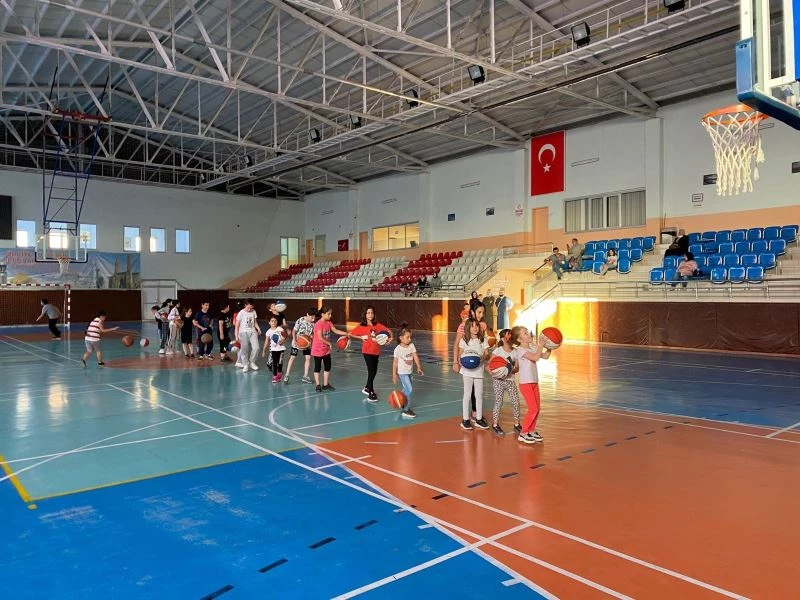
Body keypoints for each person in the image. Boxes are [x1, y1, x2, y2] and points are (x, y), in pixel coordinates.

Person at [511, 325, 551, 444]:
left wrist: (550, 346)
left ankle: (531, 430)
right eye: (525, 333)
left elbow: (545, 356)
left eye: (527, 332)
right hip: (526, 383)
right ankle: (523, 433)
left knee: (537, 409)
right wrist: (541, 345)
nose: (528, 334)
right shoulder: (521, 350)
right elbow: (535, 357)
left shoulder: (532, 347)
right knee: (533, 408)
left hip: (534, 382)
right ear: (519, 339)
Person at [349, 305, 393, 402]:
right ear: (365, 314)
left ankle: (367, 387)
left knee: (374, 371)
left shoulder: (377, 325)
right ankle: (371, 392)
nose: (370, 315)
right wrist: (360, 337)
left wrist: (391, 338)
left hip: (376, 351)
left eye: (372, 313)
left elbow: (388, 330)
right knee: (371, 371)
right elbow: (350, 333)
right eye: (368, 313)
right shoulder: (362, 326)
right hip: (367, 351)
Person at [458, 318, 490, 431]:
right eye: (472, 326)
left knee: (479, 395)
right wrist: (461, 361)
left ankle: (479, 419)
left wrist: (482, 357)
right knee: (467, 395)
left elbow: (487, 354)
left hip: (479, 371)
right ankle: (465, 420)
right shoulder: (464, 340)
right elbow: (460, 354)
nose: (475, 328)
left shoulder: (483, 339)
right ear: (468, 328)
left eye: (477, 325)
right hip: (467, 371)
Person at [489, 328, 522, 437]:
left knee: (516, 402)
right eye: (508, 335)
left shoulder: (515, 352)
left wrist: (510, 369)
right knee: (498, 402)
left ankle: (517, 424)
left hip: (510, 380)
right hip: (498, 381)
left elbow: (517, 368)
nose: (510, 337)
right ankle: (495, 424)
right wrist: (496, 373)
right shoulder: (498, 351)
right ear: (503, 339)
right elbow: (489, 366)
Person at [311, 306, 350, 392]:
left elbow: (335, 330)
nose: (330, 315)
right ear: (322, 314)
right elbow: (320, 337)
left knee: (327, 366)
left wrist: (346, 333)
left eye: (331, 314)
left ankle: (325, 385)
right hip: (318, 350)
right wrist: (329, 343)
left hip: (326, 350)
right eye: (328, 314)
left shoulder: (328, 322)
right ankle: (318, 385)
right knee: (317, 367)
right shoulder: (318, 324)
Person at [392, 323, 423, 419]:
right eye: (407, 337)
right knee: (409, 389)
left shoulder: (411, 346)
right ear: (401, 338)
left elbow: (415, 357)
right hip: (402, 373)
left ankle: (399, 399)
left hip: (410, 372)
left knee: (406, 389)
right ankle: (406, 409)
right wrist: (394, 374)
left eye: (410, 337)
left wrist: (419, 367)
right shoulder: (398, 349)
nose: (409, 339)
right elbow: (395, 363)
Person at [284, 307, 316, 384]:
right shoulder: (300, 320)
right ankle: (287, 375)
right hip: (297, 342)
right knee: (292, 358)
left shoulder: (313, 323)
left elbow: (312, 334)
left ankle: (305, 376)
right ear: (307, 315)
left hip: (306, 343)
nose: (313, 319)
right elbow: (294, 331)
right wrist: (295, 340)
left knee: (308, 358)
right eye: (312, 317)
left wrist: (311, 338)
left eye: (314, 317)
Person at [234, 298, 261, 373]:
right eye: (248, 307)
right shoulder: (241, 313)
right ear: (245, 305)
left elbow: (254, 322)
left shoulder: (254, 311)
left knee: (256, 348)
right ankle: (245, 364)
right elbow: (237, 325)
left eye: (251, 308)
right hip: (243, 332)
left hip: (253, 332)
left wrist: (258, 328)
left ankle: (252, 362)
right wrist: (236, 336)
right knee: (244, 349)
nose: (249, 309)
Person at [262, 316, 287, 383]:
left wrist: (283, 341)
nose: (273, 322)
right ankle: (275, 376)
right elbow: (266, 342)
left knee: (280, 362)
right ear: (269, 322)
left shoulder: (280, 329)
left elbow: (285, 337)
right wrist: (264, 351)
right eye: (272, 321)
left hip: (281, 349)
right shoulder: (268, 332)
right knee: (274, 363)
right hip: (273, 350)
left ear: (277, 322)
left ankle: (279, 374)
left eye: (275, 321)